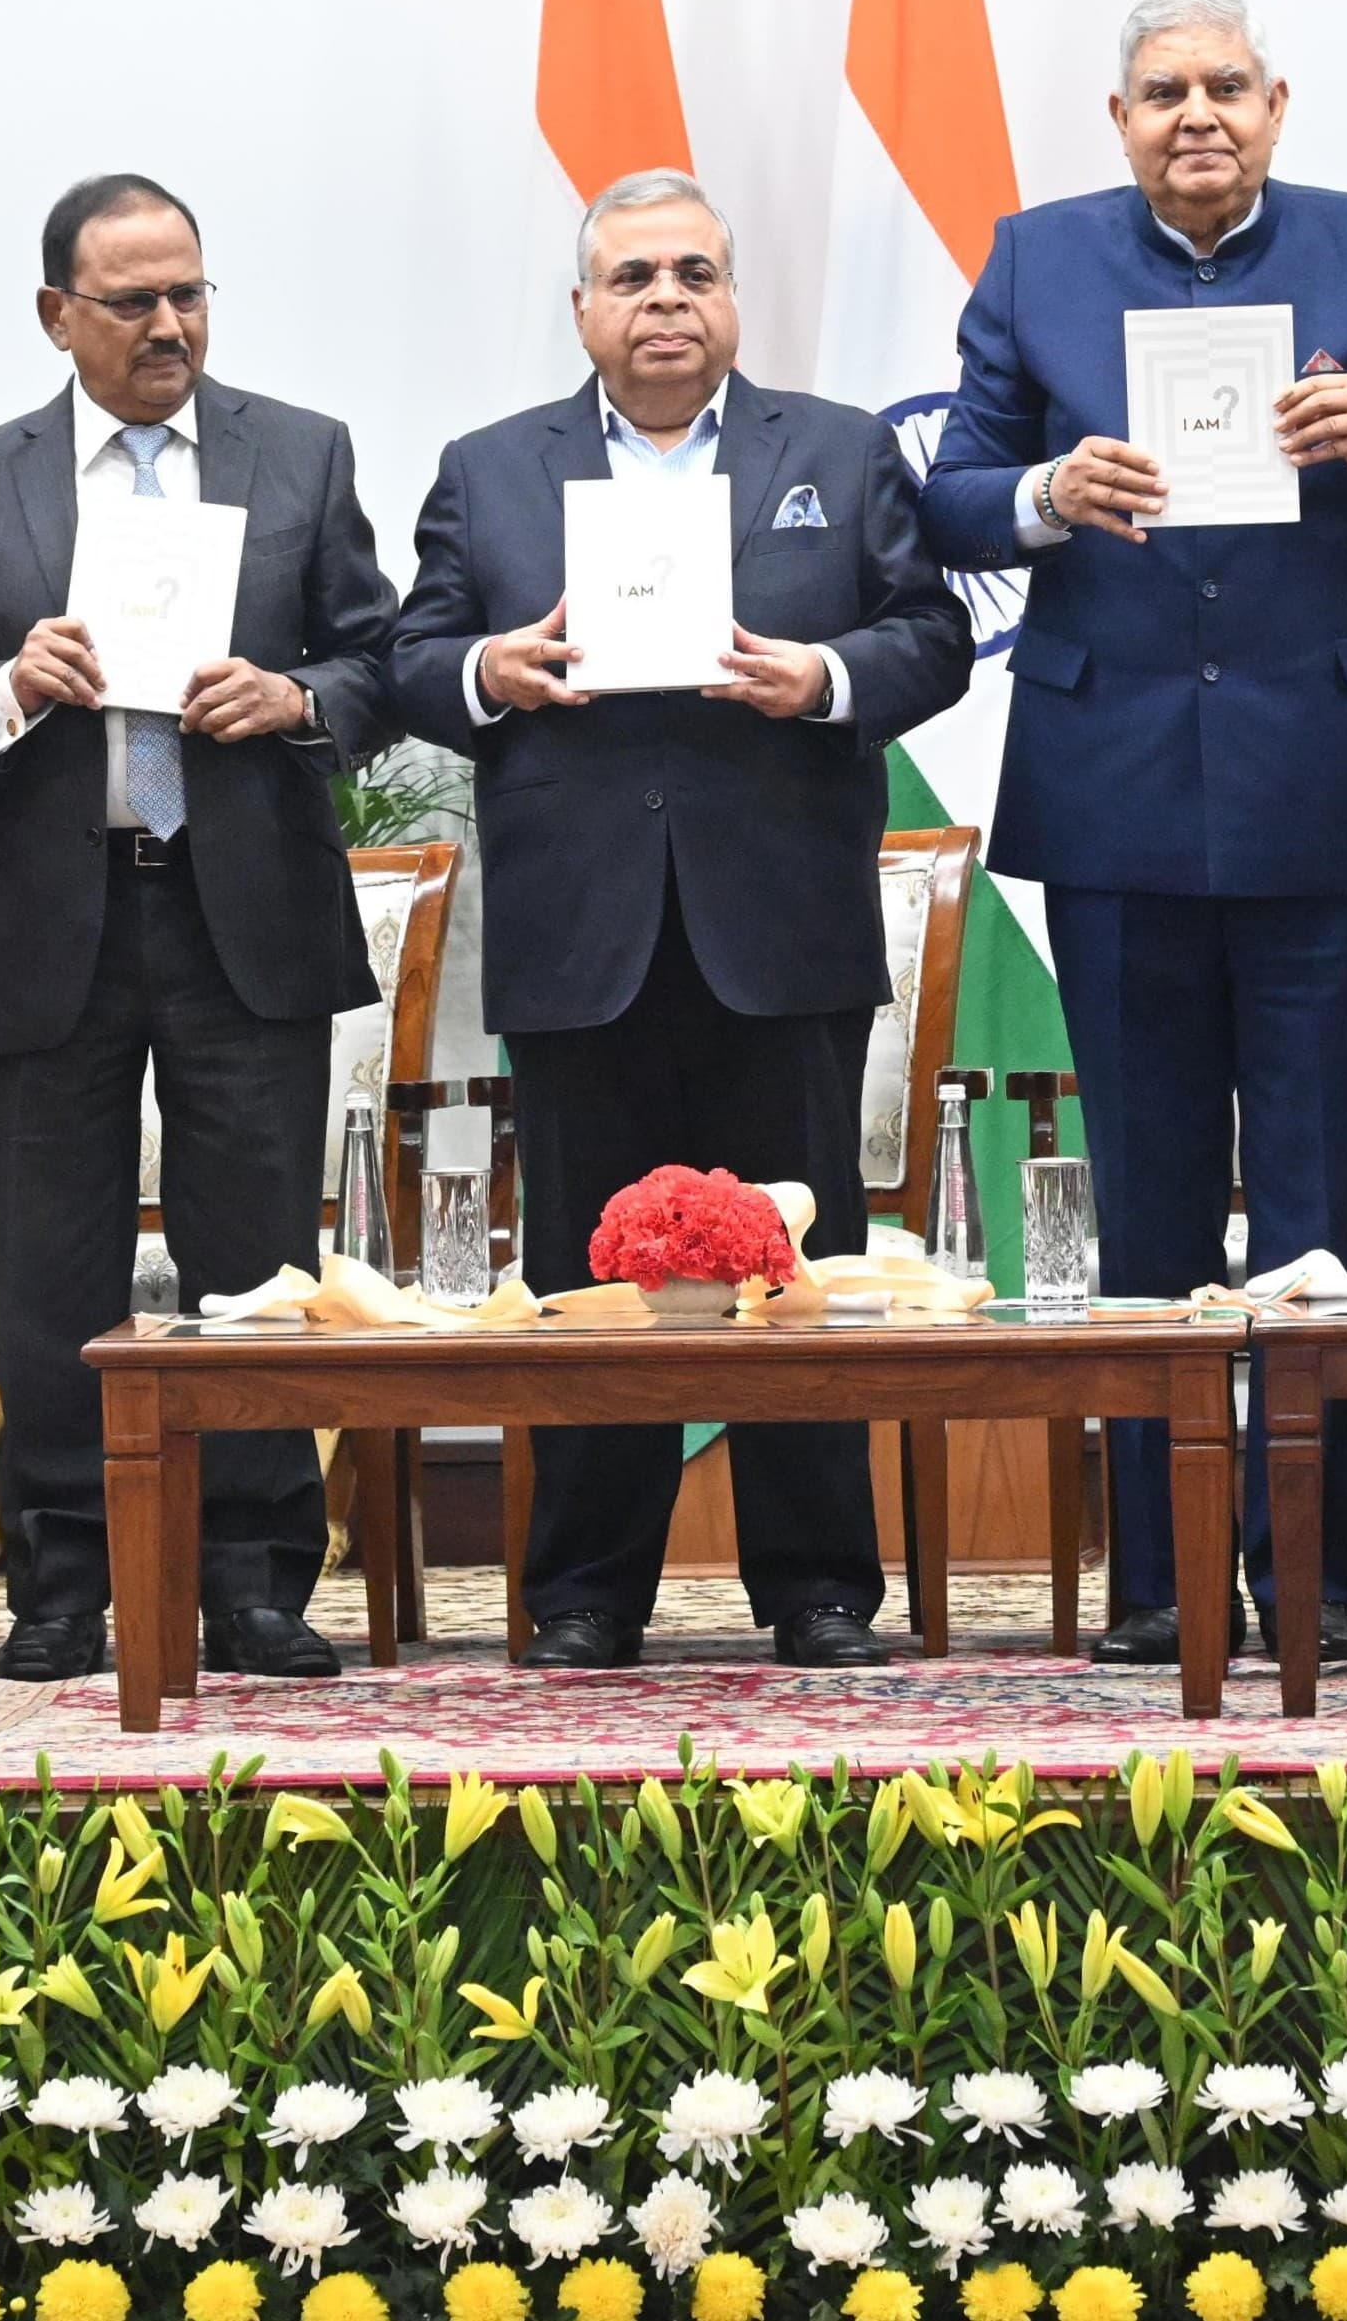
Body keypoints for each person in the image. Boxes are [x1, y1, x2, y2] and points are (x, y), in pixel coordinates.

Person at [921, 0, 1347, 1667]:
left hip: (1317, 787)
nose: (1197, 115)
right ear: (1117, 121)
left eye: (1225, 87)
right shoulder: (1036, 258)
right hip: (1111, 800)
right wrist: (1044, 495)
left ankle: (1301, 1575)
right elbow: (947, 488)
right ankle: (1157, 1581)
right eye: (1163, 90)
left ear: (1276, 104)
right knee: (1152, 1207)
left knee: (1320, 1212)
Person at [391, 169, 971, 1667]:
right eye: (633, 276)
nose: (665, 300)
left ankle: (819, 1586)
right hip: (582, 933)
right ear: (581, 308)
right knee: (591, 1271)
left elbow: (931, 635)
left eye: (693, 274)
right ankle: (585, 1590)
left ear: (733, 298)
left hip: (777, 926)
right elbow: (411, 659)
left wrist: (824, 677)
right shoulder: (488, 467)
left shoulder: (836, 456)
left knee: (798, 1257)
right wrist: (488, 674)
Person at [0, 174, 400, 1684]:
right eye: (134, 302)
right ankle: (61, 1581)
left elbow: (378, 658)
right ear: (60, 316)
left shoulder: (299, 453)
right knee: (53, 1271)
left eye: (189, 293)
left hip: (245, 912)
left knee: (253, 1267)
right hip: (60, 920)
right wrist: (8, 684)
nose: (170, 324)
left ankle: (252, 1577)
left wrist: (300, 701)